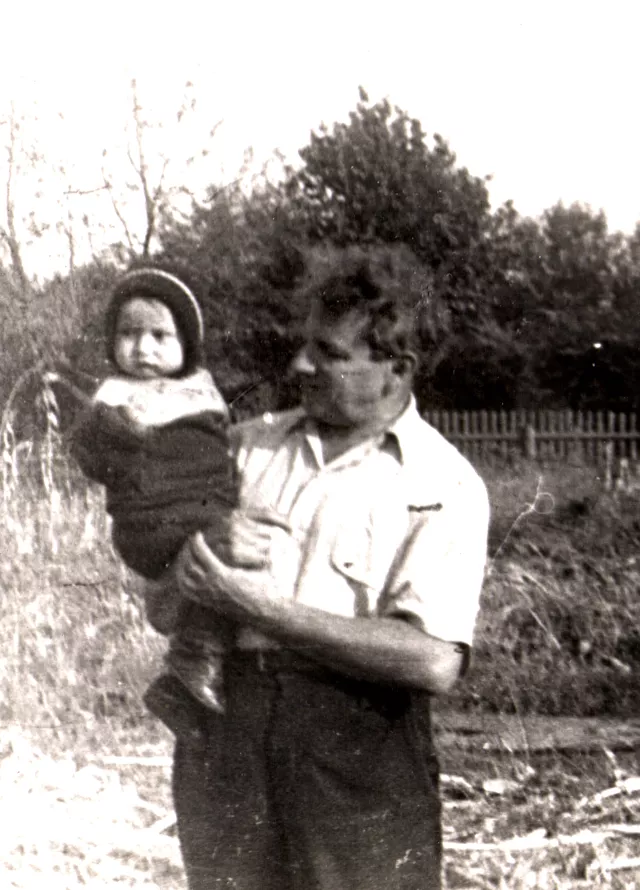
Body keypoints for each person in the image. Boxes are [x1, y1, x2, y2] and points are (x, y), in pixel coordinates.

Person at [144, 260, 490, 890]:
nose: (300, 364)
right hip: (227, 740)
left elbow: (433, 660)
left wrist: (261, 610)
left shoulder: (442, 483)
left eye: (328, 353)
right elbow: (161, 608)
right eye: (305, 345)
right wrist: (197, 552)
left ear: (397, 369)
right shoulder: (240, 449)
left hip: (359, 755)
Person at [70, 266, 241, 715]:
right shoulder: (115, 397)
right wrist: (114, 436)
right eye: (128, 334)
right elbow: (88, 454)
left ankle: (190, 676)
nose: (143, 348)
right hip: (148, 520)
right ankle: (193, 656)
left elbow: (220, 449)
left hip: (195, 512)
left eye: (160, 336)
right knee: (224, 549)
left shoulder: (200, 390)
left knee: (229, 559)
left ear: (187, 344)